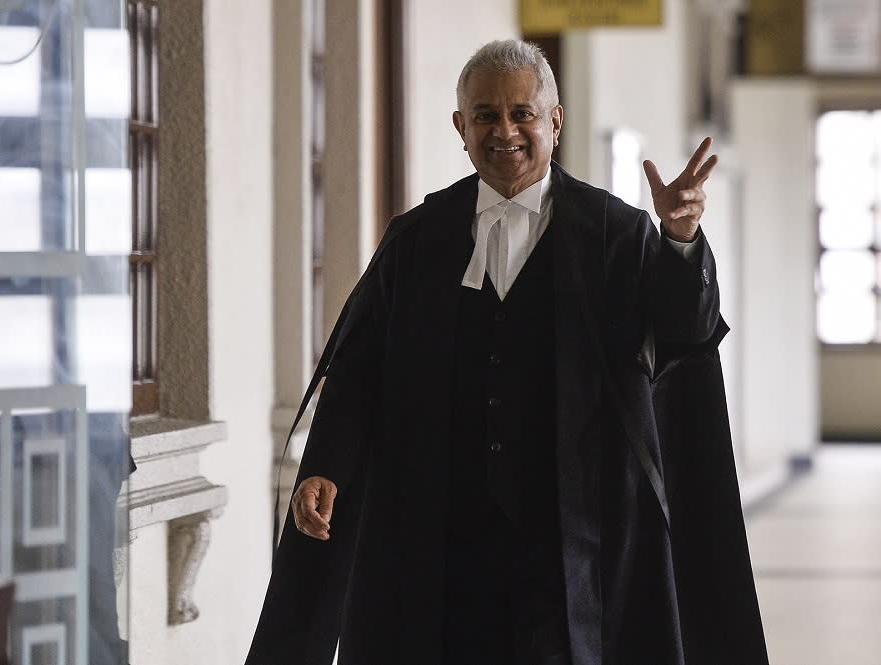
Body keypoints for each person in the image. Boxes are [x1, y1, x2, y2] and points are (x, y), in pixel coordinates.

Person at [246, 39, 768, 665]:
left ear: (555, 120)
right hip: (436, 531)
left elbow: (686, 332)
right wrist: (325, 464)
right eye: (486, 115)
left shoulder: (616, 234)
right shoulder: (417, 238)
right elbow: (361, 368)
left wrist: (680, 240)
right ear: (460, 126)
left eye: (522, 113)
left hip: (574, 536)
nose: (505, 130)